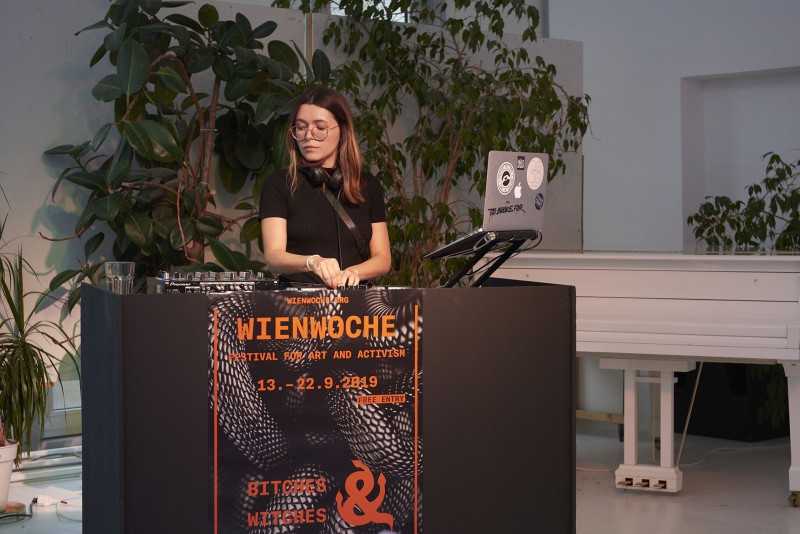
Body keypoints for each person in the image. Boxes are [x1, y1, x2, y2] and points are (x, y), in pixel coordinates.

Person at [259, 87, 391, 288]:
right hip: (298, 301)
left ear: (342, 131)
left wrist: (354, 272)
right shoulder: (278, 184)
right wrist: (312, 262)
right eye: (300, 127)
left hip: (355, 301)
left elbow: (383, 258)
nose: (308, 136)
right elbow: (274, 257)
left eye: (320, 128)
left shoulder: (367, 185)